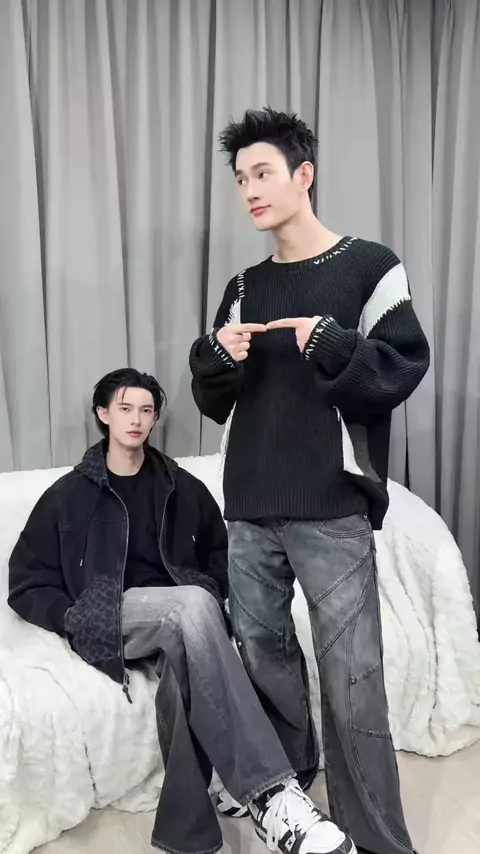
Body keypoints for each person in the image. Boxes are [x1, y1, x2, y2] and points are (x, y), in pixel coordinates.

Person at [189, 108, 430, 854]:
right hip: (249, 506)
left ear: (304, 175)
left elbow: (400, 368)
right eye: (240, 179)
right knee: (265, 667)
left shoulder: (370, 266)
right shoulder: (243, 285)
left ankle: (380, 841)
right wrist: (216, 354)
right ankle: (291, 812)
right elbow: (213, 398)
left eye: (262, 173)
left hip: (330, 504)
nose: (249, 191)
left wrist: (331, 341)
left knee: (353, 680)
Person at [8, 368, 355, 854]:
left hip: (184, 621)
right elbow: (25, 581)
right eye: (125, 409)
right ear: (103, 415)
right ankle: (271, 795)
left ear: (155, 419)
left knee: (182, 672)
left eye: (146, 410)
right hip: (112, 616)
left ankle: (187, 835)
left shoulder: (181, 486)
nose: (136, 420)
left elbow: (221, 555)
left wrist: (210, 592)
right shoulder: (67, 497)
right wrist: (73, 615)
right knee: (191, 604)